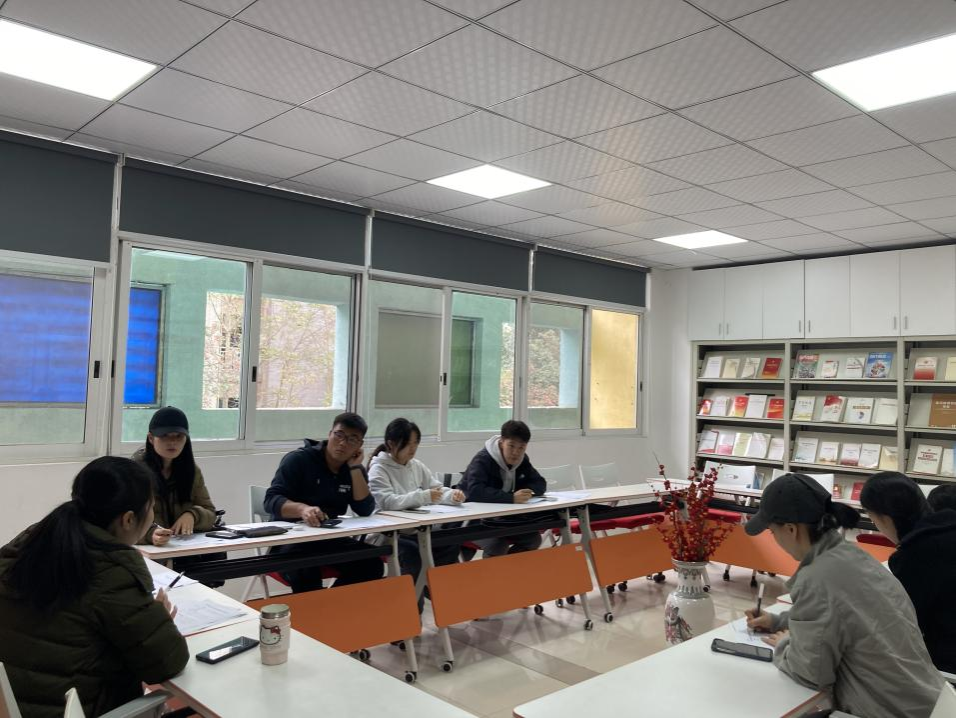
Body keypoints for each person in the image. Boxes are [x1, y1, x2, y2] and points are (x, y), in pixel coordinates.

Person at [0, 457, 188, 718]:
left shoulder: (34, 541)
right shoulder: (112, 571)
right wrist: (160, 619)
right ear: (128, 519)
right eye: (151, 507)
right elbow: (167, 662)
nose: (153, 516)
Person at [743, 473, 943, 718]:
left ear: (791, 529)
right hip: (931, 702)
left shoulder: (816, 577)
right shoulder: (853, 556)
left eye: (772, 532)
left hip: (887, 711)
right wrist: (779, 621)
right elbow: (846, 614)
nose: (775, 539)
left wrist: (785, 643)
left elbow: (810, 673)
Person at [265, 412, 383, 592]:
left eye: (352, 439)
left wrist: (355, 468)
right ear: (330, 434)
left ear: (359, 445)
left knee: (371, 564)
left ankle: (332, 606)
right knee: (306, 571)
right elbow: (271, 500)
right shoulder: (299, 460)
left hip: (328, 539)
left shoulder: (352, 469)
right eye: (339, 435)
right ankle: (318, 608)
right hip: (291, 540)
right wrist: (302, 509)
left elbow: (365, 509)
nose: (343, 443)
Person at [860, 471, 956, 673]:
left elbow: (903, 625)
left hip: (945, 666)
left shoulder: (912, 557)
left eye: (873, 519)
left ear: (885, 518)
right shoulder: (947, 528)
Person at [367, 418, 463, 607]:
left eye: (416, 443)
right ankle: (411, 610)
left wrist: (453, 495)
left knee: (450, 541)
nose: (413, 449)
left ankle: (430, 586)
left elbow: (436, 489)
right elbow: (387, 502)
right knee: (412, 553)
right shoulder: (378, 469)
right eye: (408, 444)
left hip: (416, 529)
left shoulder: (416, 465)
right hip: (388, 533)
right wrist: (423, 496)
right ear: (391, 444)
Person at [459, 420, 547, 557]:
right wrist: (511, 498)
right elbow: (475, 491)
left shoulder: (522, 460)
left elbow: (540, 483)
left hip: (502, 519)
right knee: (497, 545)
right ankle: (494, 572)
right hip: (472, 520)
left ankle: (509, 569)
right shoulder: (483, 459)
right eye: (511, 446)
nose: (516, 452)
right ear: (501, 442)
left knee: (533, 540)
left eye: (521, 448)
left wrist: (528, 492)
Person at [133, 406, 219, 546]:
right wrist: (151, 534)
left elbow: (210, 513)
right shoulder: (135, 471)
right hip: (149, 551)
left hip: (182, 548)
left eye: (179, 436)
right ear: (151, 438)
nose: (172, 442)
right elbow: (123, 524)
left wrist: (193, 515)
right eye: (164, 436)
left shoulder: (191, 470)